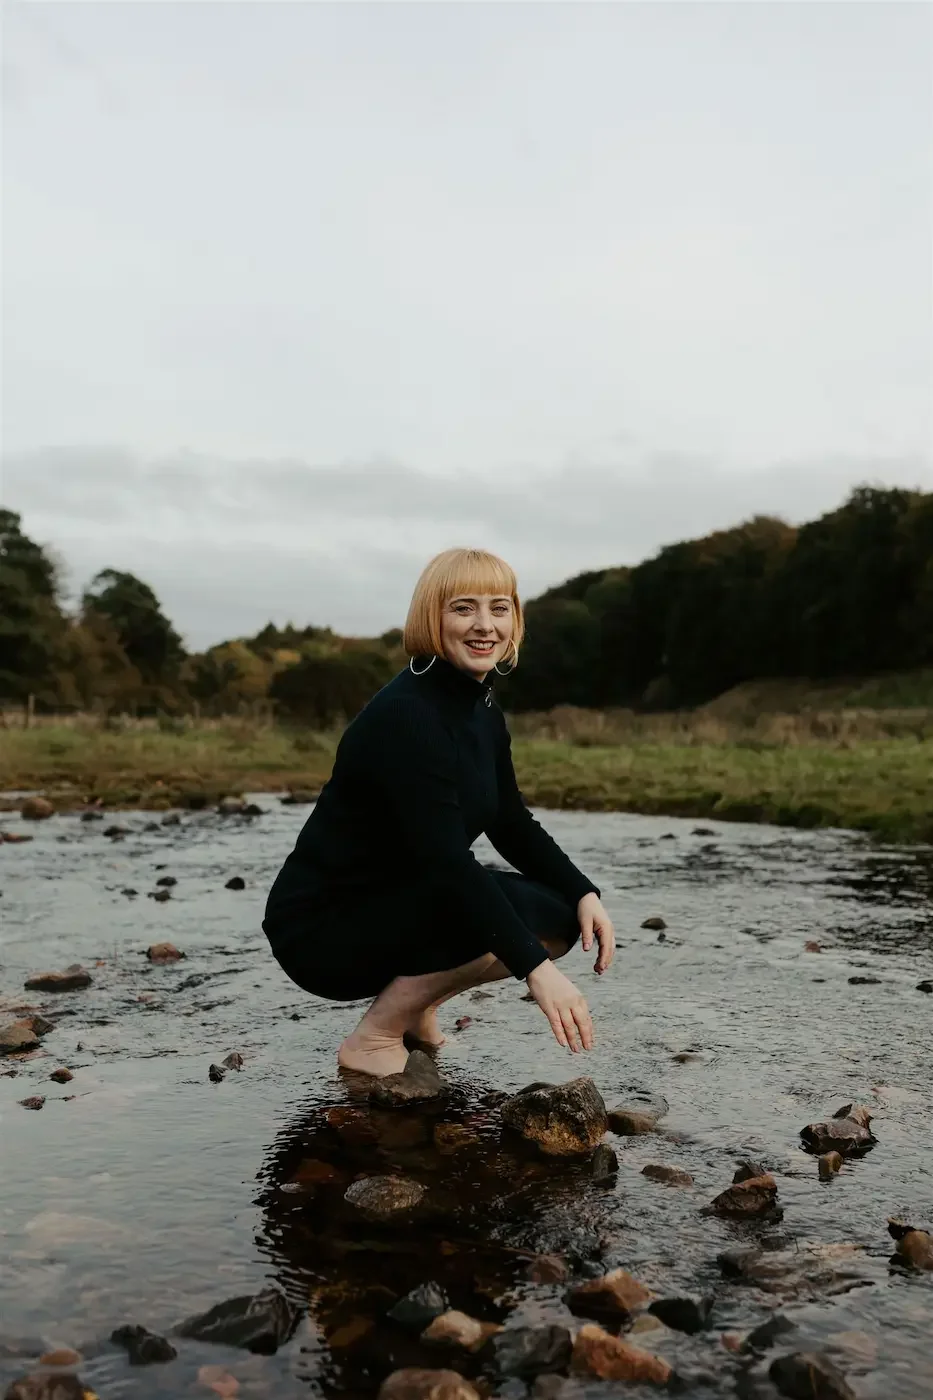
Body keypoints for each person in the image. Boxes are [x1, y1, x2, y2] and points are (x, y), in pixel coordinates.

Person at [263, 547, 615, 1077]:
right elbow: (447, 863)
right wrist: (537, 971)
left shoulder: (481, 704)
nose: (484, 626)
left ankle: (416, 1013)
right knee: (498, 908)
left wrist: (584, 889)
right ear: (432, 616)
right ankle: (375, 1037)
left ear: (515, 619)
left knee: (559, 913)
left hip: (399, 901)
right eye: (463, 608)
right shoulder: (409, 714)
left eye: (499, 608)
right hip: (325, 927)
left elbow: (509, 819)